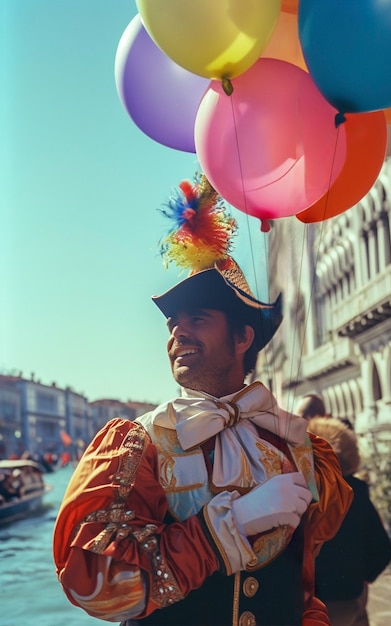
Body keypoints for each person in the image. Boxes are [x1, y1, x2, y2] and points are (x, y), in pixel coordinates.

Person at [53, 176, 353, 626]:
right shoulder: (140, 445)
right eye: (173, 323)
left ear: (242, 337)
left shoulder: (299, 445)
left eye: (198, 317)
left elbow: (302, 584)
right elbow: (100, 588)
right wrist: (222, 531)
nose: (178, 333)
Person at [307, 416, 391, 626]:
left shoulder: (301, 491)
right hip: (350, 599)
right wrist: (360, 581)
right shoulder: (357, 491)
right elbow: (382, 549)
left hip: (312, 603)